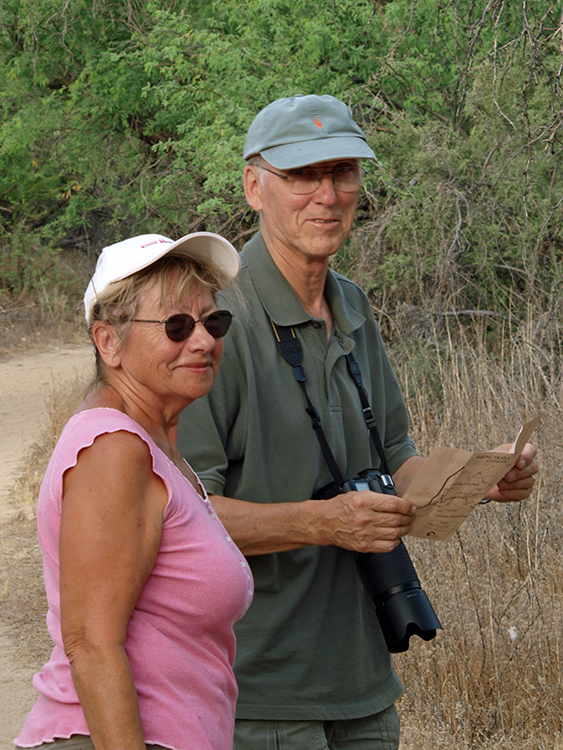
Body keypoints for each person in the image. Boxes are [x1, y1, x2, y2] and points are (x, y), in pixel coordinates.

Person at [177, 94, 538, 750]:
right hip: (258, 690)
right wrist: (322, 522)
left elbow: (394, 450)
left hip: (363, 677)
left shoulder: (349, 302)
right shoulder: (212, 322)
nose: (327, 194)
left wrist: (476, 478)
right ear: (253, 186)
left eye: (342, 171)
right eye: (302, 175)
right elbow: (180, 519)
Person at [15, 232, 253, 750]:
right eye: (175, 325)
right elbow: (92, 645)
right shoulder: (114, 449)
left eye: (213, 322)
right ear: (108, 341)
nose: (204, 341)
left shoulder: (152, 446)